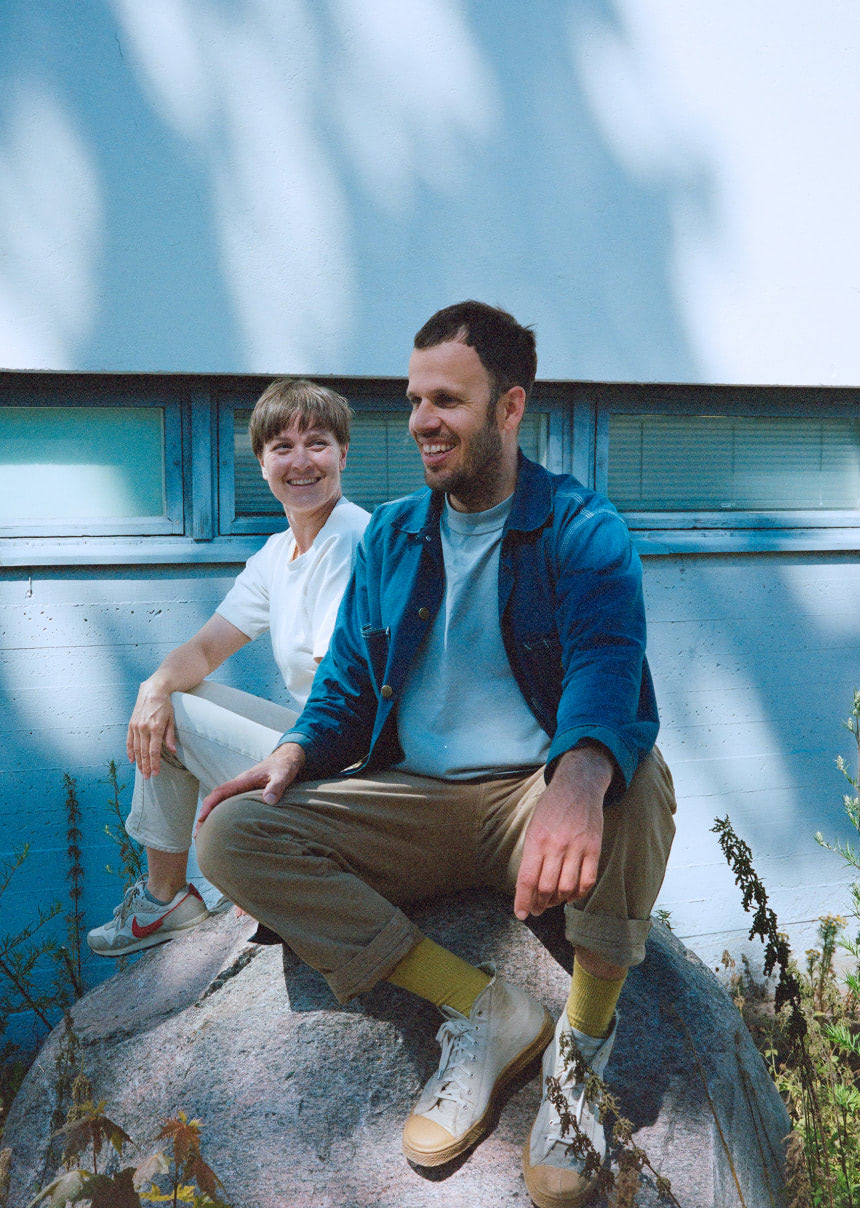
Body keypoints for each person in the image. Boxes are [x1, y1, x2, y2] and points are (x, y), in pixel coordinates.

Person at [194, 303, 676, 1208]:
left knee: (637, 779)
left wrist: (579, 776)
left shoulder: (582, 528)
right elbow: (343, 683)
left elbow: (610, 667)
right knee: (229, 835)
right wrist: (295, 752)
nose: (421, 421)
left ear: (509, 408)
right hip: (409, 801)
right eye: (415, 399)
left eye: (447, 400)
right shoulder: (391, 536)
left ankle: (581, 1050)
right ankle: (486, 1007)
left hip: (525, 803)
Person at [87, 378, 370, 958]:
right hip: (324, 748)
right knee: (172, 698)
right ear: (262, 462)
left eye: (317, 443)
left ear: (343, 453)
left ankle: (166, 898)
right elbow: (204, 651)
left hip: (356, 768)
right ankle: (171, 895)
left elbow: (341, 692)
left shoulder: (349, 540)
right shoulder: (279, 553)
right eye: (281, 447)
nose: (301, 461)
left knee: (179, 714)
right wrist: (153, 685)